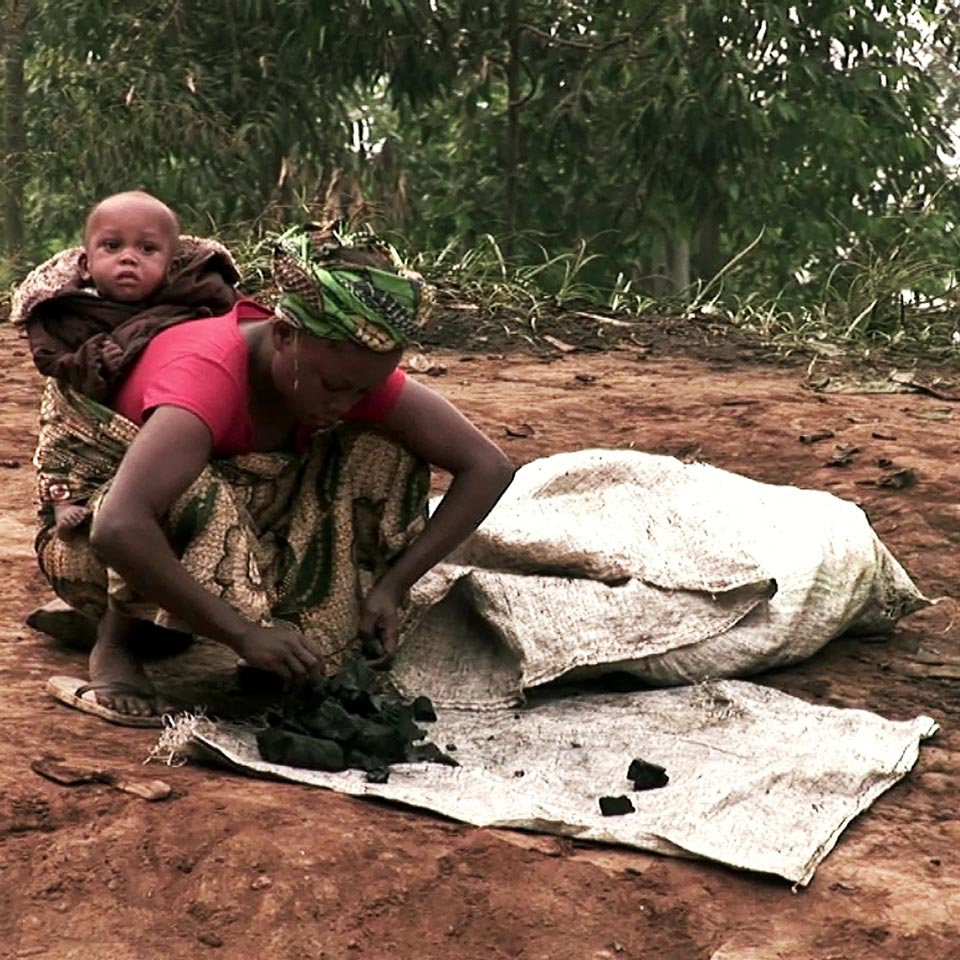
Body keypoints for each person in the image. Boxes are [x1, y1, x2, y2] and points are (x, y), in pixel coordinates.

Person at [31, 223, 515, 723]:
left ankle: (270, 639)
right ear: (283, 334)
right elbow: (118, 525)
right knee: (191, 491)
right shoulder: (207, 376)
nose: (344, 403)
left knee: (382, 453)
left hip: (238, 511)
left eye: (360, 393)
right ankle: (117, 644)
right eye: (334, 386)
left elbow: (487, 467)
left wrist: (391, 586)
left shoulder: (344, 366)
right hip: (91, 532)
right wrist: (243, 635)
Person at [13, 190, 241, 541]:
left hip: (152, 408)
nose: (129, 259)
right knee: (57, 420)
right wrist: (94, 360)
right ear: (86, 265)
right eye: (112, 246)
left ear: (169, 267)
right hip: (85, 407)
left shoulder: (188, 302)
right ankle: (64, 498)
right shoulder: (69, 311)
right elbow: (53, 358)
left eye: (147, 249)